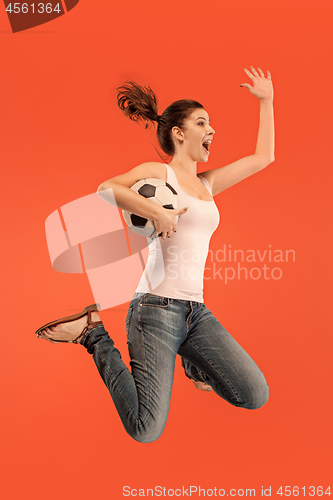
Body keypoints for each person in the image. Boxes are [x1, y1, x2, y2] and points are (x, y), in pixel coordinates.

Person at [36, 66, 274, 443]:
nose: (211, 130)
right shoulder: (159, 175)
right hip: (156, 310)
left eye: (210, 123)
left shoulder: (206, 184)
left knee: (253, 393)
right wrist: (158, 211)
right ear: (179, 134)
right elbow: (106, 188)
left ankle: (193, 364)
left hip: (196, 312)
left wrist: (267, 101)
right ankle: (92, 334)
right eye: (202, 122)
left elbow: (263, 158)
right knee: (145, 429)